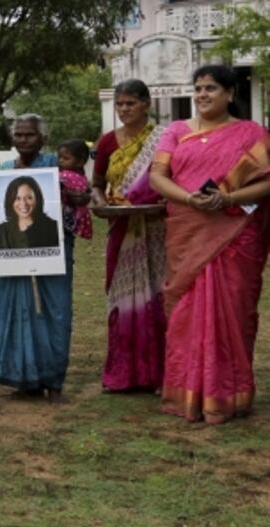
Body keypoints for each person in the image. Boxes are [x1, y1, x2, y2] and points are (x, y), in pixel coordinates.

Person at [148, 65, 270, 424]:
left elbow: (267, 183)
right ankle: (187, 392)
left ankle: (227, 394)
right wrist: (189, 199)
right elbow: (157, 176)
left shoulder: (252, 134)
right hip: (188, 231)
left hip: (235, 235)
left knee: (232, 310)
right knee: (186, 312)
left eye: (211, 88)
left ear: (230, 94)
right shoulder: (175, 131)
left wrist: (229, 200)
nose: (202, 95)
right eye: (198, 88)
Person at [0, 114, 74, 403]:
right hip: (14, 255)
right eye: (19, 135)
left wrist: (72, 195)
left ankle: (54, 381)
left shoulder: (56, 166)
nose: (24, 140)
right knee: (19, 311)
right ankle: (26, 379)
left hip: (52, 253)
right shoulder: (6, 170)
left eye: (30, 135)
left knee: (54, 312)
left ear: (43, 139)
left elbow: (77, 197)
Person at [90, 79, 166, 392]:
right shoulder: (108, 142)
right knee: (120, 298)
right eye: (120, 104)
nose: (123, 110)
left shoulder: (164, 139)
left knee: (159, 297)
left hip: (158, 228)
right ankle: (123, 375)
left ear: (147, 104)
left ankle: (159, 374)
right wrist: (100, 201)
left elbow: (172, 179)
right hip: (121, 228)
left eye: (130, 104)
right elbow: (96, 183)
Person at [0, 176, 59, 249]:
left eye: (29, 198)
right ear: (10, 201)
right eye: (17, 198)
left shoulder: (53, 228)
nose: (23, 204)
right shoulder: (2, 231)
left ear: (37, 199)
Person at [57, 139, 93, 241]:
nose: (60, 161)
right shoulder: (82, 176)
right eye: (59, 157)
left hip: (68, 214)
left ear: (80, 162)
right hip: (80, 214)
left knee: (65, 239)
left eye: (66, 158)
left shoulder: (64, 175)